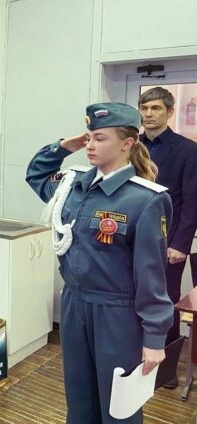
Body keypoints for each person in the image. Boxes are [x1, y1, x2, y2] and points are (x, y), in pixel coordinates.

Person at [26, 102, 174, 423]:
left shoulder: (145, 199)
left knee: (119, 406)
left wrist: (154, 338)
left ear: (127, 144)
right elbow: (35, 174)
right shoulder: (72, 185)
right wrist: (64, 147)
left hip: (117, 314)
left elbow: (151, 277)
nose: (90, 145)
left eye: (100, 138)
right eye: (89, 137)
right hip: (74, 304)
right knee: (79, 397)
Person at [138, 87, 197, 388]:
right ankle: (137, 360)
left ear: (170, 112)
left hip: (168, 243)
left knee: (166, 303)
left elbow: (192, 201)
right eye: (144, 108)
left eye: (156, 108)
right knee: (134, 298)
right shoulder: (131, 145)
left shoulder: (187, 150)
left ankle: (167, 372)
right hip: (133, 240)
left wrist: (180, 244)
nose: (148, 114)